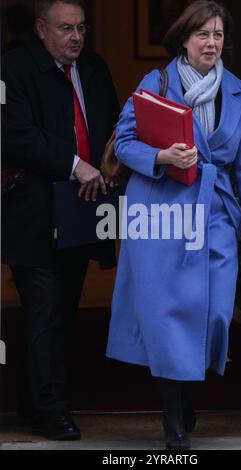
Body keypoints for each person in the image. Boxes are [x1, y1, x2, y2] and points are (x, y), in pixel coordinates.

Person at [107, 0, 241, 450]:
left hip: (215, 213)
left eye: (218, 35)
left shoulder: (237, 92)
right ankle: (173, 419)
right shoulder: (156, 83)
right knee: (168, 321)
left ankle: (188, 390)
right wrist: (161, 156)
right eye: (203, 35)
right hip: (162, 212)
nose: (212, 44)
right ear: (184, 39)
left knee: (215, 314)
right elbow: (123, 142)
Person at [2, 0, 119, 440]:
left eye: (82, 28)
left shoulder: (93, 68)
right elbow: (13, 134)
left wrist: (109, 164)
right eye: (65, 28)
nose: (76, 37)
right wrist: (75, 165)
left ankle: (32, 404)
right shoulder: (12, 68)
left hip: (81, 210)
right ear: (40, 29)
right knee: (46, 310)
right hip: (31, 213)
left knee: (60, 312)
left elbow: (113, 123)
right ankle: (52, 410)